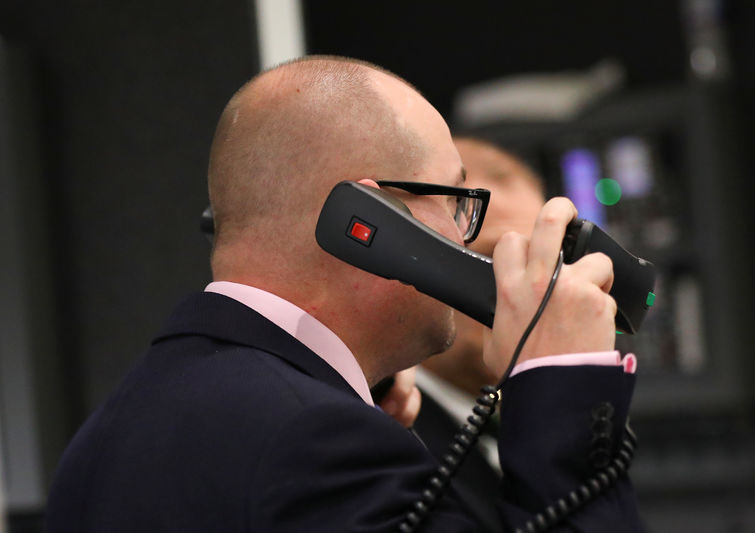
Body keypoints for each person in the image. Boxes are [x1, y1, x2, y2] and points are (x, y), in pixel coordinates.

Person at [45, 56, 644, 532]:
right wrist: (563, 384)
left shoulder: (116, 429)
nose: (469, 242)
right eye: (460, 204)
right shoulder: (318, 445)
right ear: (369, 222)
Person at [413, 136, 547, 532]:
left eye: (534, 262)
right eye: (493, 258)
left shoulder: (536, 420)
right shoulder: (385, 438)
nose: (519, 289)